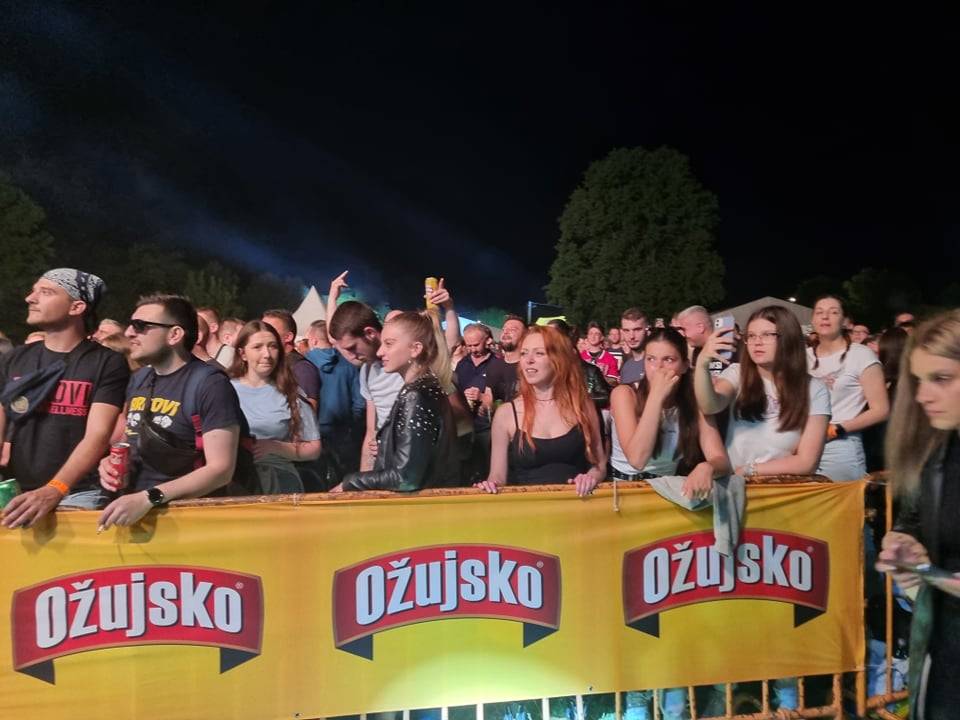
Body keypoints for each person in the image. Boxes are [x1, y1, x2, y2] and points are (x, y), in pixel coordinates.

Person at [694, 305, 830, 712]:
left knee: (779, 604)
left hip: (786, 506)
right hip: (737, 503)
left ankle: (787, 694)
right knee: (731, 599)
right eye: (750, 335)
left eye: (765, 335)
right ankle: (726, 691)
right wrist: (702, 363)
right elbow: (709, 403)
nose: (755, 342)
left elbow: (806, 460)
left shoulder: (814, 389)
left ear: (785, 338)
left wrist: (748, 470)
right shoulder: (739, 375)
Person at [96, 294, 250, 530]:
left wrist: (149, 498)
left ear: (174, 335)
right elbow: (131, 439)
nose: (129, 332)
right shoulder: (140, 378)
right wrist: (109, 463)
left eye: (140, 326)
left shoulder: (210, 384)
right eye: (130, 324)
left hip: (185, 521)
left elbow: (221, 470)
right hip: (132, 514)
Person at [876, 310, 960, 720]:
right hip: (943, 653)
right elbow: (915, 521)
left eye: (941, 378)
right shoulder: (938, 454)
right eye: (918, 380)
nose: (923, 395)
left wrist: (933, 575)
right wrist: (904, 544)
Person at [0, 269, 129, 528]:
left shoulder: (107, 362)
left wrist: (56, 488)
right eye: (34, 290)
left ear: (76, 307)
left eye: (46, 292)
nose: (30, 298)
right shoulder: (15, 358)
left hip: (77, 492)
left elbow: (98, 435)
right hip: (17, 491)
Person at [333, 311, 458, 492]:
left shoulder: (416, 396)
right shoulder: (423, 388)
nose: (380, 351)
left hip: (419, 505)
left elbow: (405, 477)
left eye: (389, 344)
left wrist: (349, 483)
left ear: (415, 349)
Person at [475, 326, 606, 495]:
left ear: (558, 359)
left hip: (576, 504)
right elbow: (497, 476)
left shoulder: (583, 406)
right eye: (524, 353)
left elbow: (599, 465)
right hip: (530, 507)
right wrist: (489, 485)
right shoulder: (506, 414)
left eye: (539, 353)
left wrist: (590, 477)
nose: (528, 360)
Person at [609, 327, 728, 494]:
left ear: (685, 366)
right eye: (651, 359)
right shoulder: (625, 394)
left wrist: (708, 467)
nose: (658, 367)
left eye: (669, 360)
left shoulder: (693, 400)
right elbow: (637, 460)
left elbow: (721, 460)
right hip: (623, 490)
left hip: (667, 490)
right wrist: (656, 397)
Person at [229, 321, 321, 494]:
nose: (267, 354)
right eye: (257, 347)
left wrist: (275, 447)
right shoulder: (224, 389)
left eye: (272, 346)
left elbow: (313, 448)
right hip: (235, 482)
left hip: (279, 482)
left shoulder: (291, 391)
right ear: (242, 354)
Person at [808, 296, 889, 481]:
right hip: (803, 445)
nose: (825, 317)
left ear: (845, 321)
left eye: (833, 312)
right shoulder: (803, 357)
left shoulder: (861, 355)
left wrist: (837, 429)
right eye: (819, 312)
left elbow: (881, 410)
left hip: (841, 446)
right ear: (812, 320)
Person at [328, 299, 405, 471]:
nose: (350, 356)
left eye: (352, 347)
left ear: (370, 333)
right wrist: (364, 479)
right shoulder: (367, 371)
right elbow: (371, 433)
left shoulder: (408, 360)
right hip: (390, 469)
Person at [304, 318, 366, 477]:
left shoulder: (304, 364)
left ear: (313, 340)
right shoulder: (350, 363)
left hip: (311, 434)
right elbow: (360, 402)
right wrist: (353, 423)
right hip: (343, 432)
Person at [262, 309, 321, 414]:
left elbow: (309, 413)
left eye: (270, 330)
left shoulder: (302, 368)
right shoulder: (270, 364)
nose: (262, 335)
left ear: (288, 337)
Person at [485, 314, 526, 403]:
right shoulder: (493, 366)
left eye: (512, 330)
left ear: (524, 336)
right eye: (504, 329)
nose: (506, 332)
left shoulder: (529, 367)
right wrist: (483, 403)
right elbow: (489, 397)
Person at [619, 308, 650, 384]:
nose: (631, 336)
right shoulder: (626, 366)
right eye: (626, 330)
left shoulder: (656, 364)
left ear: (647, 330)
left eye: (637, 330)